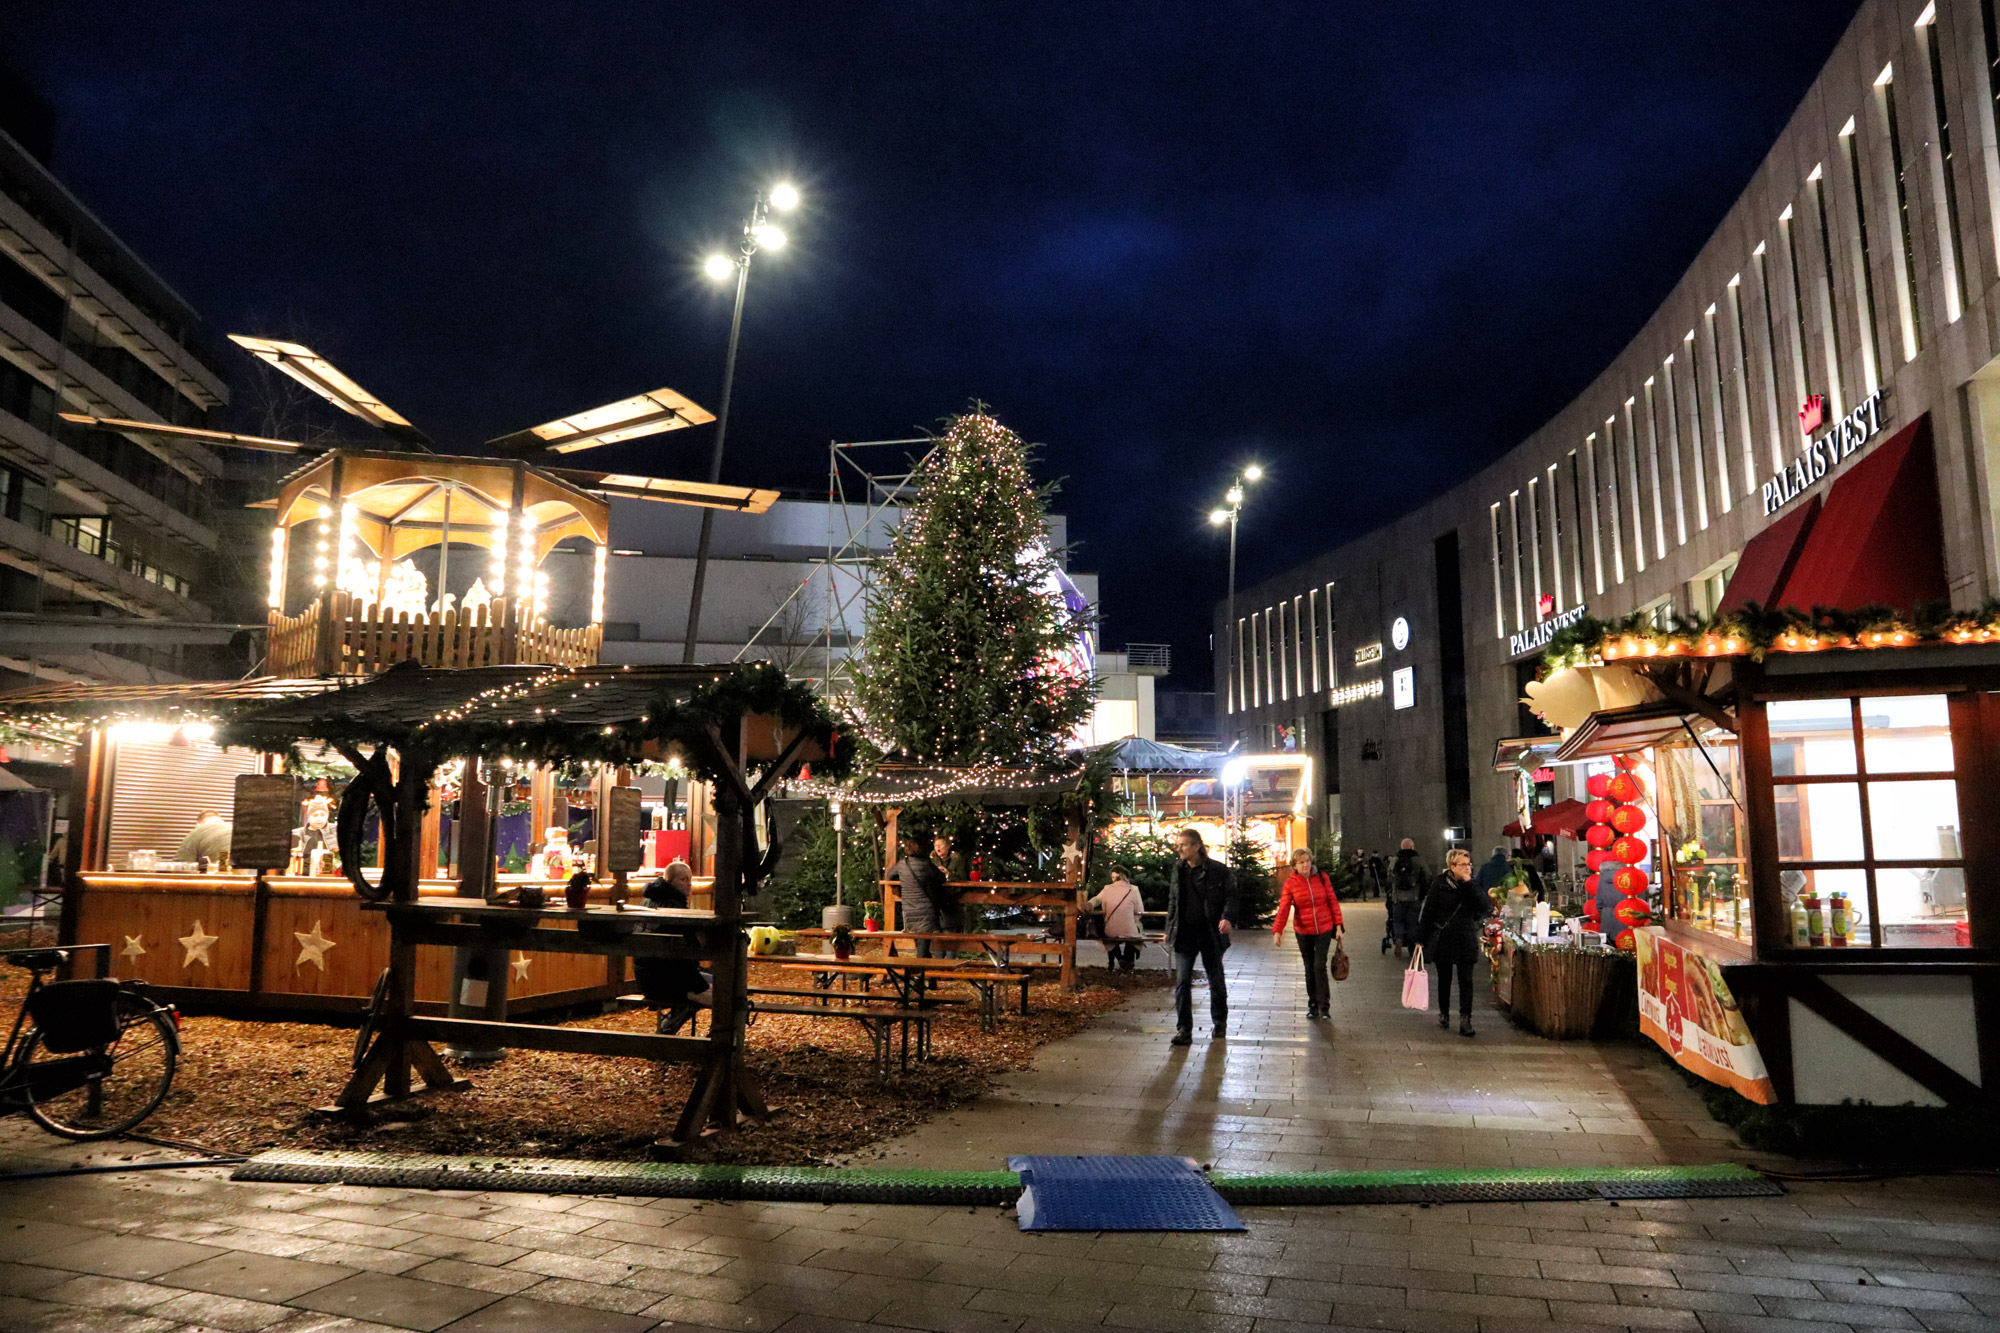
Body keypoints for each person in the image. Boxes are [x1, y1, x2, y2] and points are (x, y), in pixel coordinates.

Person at [1166, 828, 1241, 1046]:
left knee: (1215, 979)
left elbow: (1232, 896)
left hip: (1210, 933)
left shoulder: (1218, 870)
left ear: (1197, 846)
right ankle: (1184, 1029)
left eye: (1183, 845)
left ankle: (1219, 1022)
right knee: (1182, 983)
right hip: (1185, 934)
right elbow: (1173, 900)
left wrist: (1227, 918)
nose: (1179, 849)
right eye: (1178, 845)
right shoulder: (1178, 870)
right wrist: (1169, 928)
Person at [1418, 846, 1490, 1037]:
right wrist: (1420, 939)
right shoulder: (1439, 884)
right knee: (1445, 979)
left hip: (1466, 937)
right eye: (1463, 864)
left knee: (1466, 981)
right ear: (1451, 865)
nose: (1468, 868)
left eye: (1469, 864)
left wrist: (1469, 884)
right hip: (1444, 938)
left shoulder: (1471, 885)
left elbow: (1484, 906)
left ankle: (1466, 1019)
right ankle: (1444, 1012)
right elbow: (1428, 912)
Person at [635, 861, 711, 1034]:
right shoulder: (675, 909)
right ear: (669, 881)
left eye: (690, 880)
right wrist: (699, 986)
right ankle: (720, 1036)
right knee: (726, 990)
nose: (688, 885)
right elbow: (683, 960)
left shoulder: (648, 900)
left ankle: (668, 1029)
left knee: (711, 980)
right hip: (668, 980)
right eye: (683, 880)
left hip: (645, 976)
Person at [1272, 847, 1344, 1019]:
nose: (1306, 865)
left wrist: (1339, 925)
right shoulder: (1290, 884)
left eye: (1308, 861)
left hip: (1324, 928)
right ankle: (1313, 1005)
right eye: (1301, 862)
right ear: (1294, 865)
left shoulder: (1322, 878)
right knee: (1309, 967)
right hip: (1303, 930)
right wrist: (1277, 930)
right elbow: (1283, 908)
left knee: (1319, 966)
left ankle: (1324, 1007)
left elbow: (1332, 901)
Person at [892, 833, 950, 957]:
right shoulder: (926, 864)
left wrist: (901, 888)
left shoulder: (903, 864)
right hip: (926, 911)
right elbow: (941, 879)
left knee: (920, 943)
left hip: (908, 910)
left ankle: (924, 972)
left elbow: (890, 875)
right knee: (923, 944)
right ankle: (923, 972)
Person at [1089, 867, 1145, 972]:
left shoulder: (1107, 889)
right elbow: (1139, 911)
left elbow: (1097, 900)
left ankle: (1117, 959)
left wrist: (1089, 904)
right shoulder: (1134, 889)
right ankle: (1128, 961)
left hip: (1111, 930)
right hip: (1129, 930)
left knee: (1108, 936)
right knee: (1135, 931)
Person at [1384, 838, 1427, 958]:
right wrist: (1422, 893)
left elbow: (1388, 879)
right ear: (1413, 847)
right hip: (1414, 897)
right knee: (1412, 923)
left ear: (1401, 847)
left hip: (1397, 898)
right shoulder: (1418, 860)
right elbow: (1427, 877)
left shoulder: (1394, 860)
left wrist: (1391, 893)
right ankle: (1412, 949)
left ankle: (1398, 939)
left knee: (1397, 920)